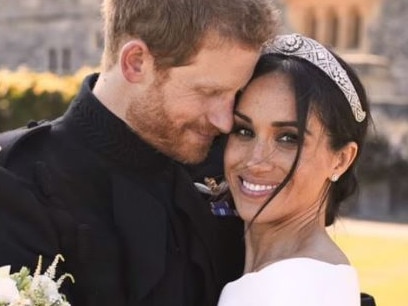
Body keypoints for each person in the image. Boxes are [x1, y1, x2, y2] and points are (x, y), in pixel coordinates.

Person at [0, 1, 279, 305]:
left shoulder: (231, 167)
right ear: (135, 62)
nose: (225, 121)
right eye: (208, 92)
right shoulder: (17, 182)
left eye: (235, 94)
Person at [217, 33, 372, 306]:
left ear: (341, 159)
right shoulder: (284, 274)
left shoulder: (297, 287)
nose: (256, 160)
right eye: (244, 131)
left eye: (289, 138)